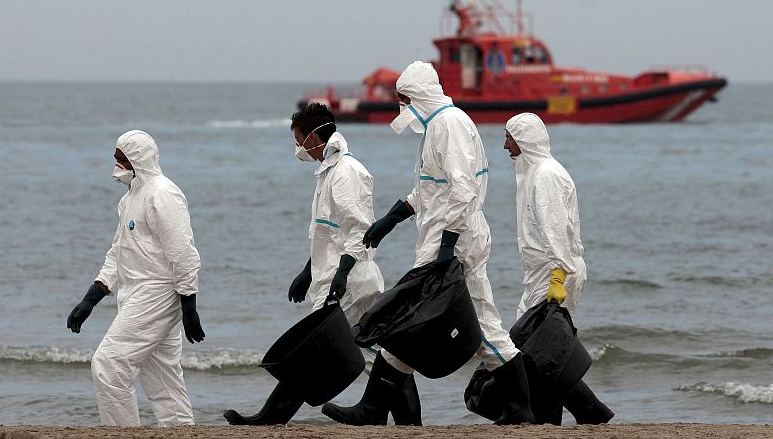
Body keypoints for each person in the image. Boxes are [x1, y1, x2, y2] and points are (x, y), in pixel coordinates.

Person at [321, 61, 535, 426]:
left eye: (403, 99)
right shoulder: (437, 126)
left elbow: (463, 190)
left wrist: (447, 247)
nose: (401, 107)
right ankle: (518, 410)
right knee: (437, 323)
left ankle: (374, 408)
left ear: (417, 95)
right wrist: (390, 219)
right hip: (446, 241)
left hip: (454, 244)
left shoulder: (448, 125)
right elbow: (428, 191)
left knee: (424, 320)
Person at [223, 103, 420, 425]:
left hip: (350, 279)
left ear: (315, 136)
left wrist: (341, 273)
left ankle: (270, 418)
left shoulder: (347, 173)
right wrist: (308, 270)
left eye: (299, 139)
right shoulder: (329, 170)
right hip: (337, 273)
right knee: (376, 355)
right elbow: (328, 231)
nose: (297, 147)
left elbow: (359, 229)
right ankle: (410, 425)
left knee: (311, 349)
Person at [66, 130, 205, 427]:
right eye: (115, 158)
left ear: (138, 160)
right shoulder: (129, 199)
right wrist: (90, 300)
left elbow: (183, 253)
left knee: (109, 364)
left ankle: (121, 432)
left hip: (158, 293)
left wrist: (189, 307)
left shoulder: (162, 193)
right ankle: (180, 430)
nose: (116, 166)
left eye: (121, 160)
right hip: (134, 294)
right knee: (161, 375)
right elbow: (117, 253)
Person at [504, 112, 613, 424]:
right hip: (544, 272)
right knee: (540, 352)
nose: (505, 145)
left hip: (554, 272)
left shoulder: (546, 176)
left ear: (524, 140)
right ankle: (570, 416)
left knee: (541, 353)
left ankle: (582, 413)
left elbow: (555, 230)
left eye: (509, 137)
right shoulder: (535, 173)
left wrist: (557, 277)